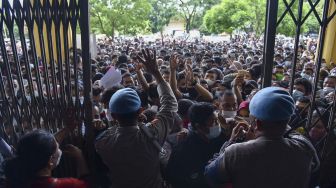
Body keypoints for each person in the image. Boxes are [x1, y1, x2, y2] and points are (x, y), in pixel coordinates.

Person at [95, 49, 178, 188]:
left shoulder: (103, 142)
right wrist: (156, 73)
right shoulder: (153, 132)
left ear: (113, 115)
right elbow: (170, 103)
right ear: (140, 111)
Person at [205, 87, 319, 188]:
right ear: (287, 121)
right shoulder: (304, 149)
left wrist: (232, 141)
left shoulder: (236, 152)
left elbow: (210, 175)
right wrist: (279, 120)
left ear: (257, 124)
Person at [165, 102, 226, 188]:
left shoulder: (219, 138)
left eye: (217, 120)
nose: (217, 125)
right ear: (199, 126)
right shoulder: (184, 150)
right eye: (213, 122)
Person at [3, 130, 89, 188]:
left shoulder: (12, 181)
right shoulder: (68, 185)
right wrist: (80, 157)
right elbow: (86, 185)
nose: (60, 150)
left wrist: (67, 129)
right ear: (50, 160)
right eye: (58, 148)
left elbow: (37, 147)